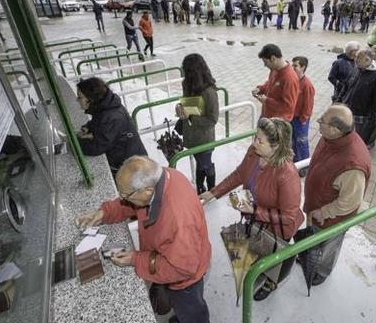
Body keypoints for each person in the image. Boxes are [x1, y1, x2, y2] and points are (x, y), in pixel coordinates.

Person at [76, 156, 211, 323]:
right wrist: (105, 213)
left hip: (186, 278)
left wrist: (136, 259)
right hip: (172, 253)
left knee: (191, 309)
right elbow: (129, 204)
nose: (123, 199)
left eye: (126, 196)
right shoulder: (159, 178)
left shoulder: (179, 218)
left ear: (147, 191)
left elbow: (181, 269)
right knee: (181, 306)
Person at [199, 118, 304, 301]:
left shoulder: (288, 174)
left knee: (273, 259)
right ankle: (258, 269)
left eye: (259, 140)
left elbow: (289, 216)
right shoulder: (254, 152)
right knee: (256, 249)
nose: (253, 143)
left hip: (277, 229)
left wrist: (255, 210)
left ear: (276, 146)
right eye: (255, 136)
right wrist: (213, 193)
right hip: (255, 218)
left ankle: (271, 283)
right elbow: (240, 174)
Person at [302, 104, 370, 285]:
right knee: (313, 238)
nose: (318, 122)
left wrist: (323, 212)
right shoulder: (329, 138)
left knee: (328, 248)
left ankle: (321, 273)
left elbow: (350, 202)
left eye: (321, 121)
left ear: (334, 129)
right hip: (315, 207)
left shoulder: (353, 164)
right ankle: (307, 256)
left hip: (330, 219)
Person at [76, 77, 147, 173]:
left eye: (80, 97)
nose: (77, 100)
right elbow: (97, 122)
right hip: (130, 157)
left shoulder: (111, 116)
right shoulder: (106, 106)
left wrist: (75, 142)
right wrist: (86, 128)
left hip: (130, 167)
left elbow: (97, 147)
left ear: (90, 99)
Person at [175, 54, 219, 194]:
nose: (184, 74)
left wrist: (191, 117)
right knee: (200, 163)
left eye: (186, 71)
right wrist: (179, 107)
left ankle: (212, 190)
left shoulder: (209, 92)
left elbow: (212, 119)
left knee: (205, 164)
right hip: (191, 135)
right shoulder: (187, 84)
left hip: (204, 138)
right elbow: (185, 102)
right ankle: (200, 188)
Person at [342, 48, 376, 146]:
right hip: (348, 109)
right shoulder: (357, 68)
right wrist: (340, 99)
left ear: (367, 60)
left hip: (361, 115)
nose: (355, 59)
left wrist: (374, 120)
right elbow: (347, 85)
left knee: (357, 137)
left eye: (359, 57)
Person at [253, 44, 299, 121]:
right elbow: (270, 83)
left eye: (265, 62)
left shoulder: (289, 78)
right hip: (266, 115)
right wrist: (260, 89)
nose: (264, 65)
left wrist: (267, 101)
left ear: (273, 58)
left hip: (278, 122)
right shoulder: (274, 69)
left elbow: (288, 107)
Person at [291, 56, 315, 166]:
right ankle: (296, 162)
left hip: (300, 119)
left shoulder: (307, 85)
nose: (292, 67)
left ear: (302, 67)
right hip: (292, 117)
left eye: (295, 65)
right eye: (292, 65)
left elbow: (308, 105)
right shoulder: (294, 80)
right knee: (294, 141)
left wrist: (303, 119)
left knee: (302, 142)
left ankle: (305, 164)